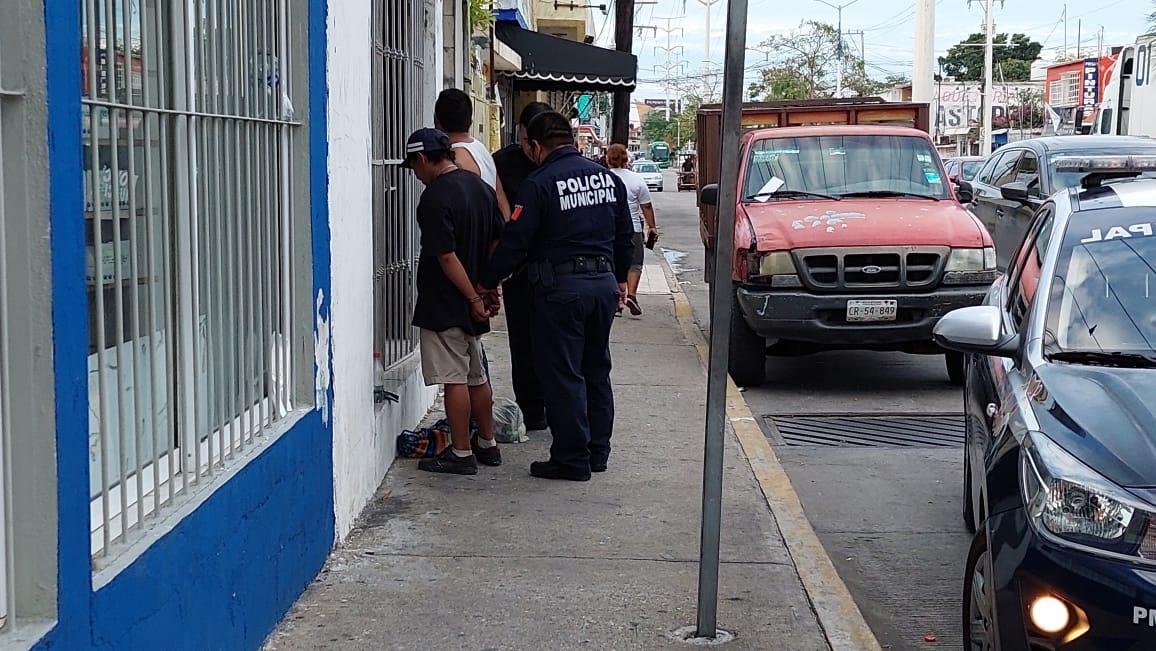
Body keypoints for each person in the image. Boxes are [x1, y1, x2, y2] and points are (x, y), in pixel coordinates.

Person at [476, 112, 635, 481]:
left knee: (563, 374)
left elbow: (515, 243)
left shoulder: (541, 182)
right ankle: (597, 452)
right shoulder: (608, 180)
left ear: (535, 145)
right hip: (603, 286)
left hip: (560, 291)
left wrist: (486, 281)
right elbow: (625, 235)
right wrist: (622, 281)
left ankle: (571, 457)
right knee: (596, 369)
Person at [401, 127, 504, 476]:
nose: (414, 173)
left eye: (414, 165)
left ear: (425, 159)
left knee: (454, 379)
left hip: (446, 300)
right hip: (474, 294)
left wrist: (473, 296)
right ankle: (487, 444)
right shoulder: (480, 187)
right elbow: (496, 242)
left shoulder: (435, 197)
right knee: (477, 374)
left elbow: (445, 256)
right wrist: (488, 288)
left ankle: (461, 452)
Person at [491, 101, 553, 432]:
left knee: (554, 341)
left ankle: (556, 404)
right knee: (523, 342)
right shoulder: (503, 163)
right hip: (518, 267)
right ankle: (532, 409)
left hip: (554, 268)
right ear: (523, 135)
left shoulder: (557, 165)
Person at [434, 88, 512, 220]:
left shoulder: (453, 159)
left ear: (437, 121)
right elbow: (500, 196)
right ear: (470, 121)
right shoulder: (481, 149)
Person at [606, 143, 658, 316]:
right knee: (635, 263)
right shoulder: (637, 179)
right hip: (633, 228)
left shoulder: (603, 178)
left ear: (608, 159)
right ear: (626, 159)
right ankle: (632, 295)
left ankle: (616, 303)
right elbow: (647, 206)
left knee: (611, 263)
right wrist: (652, 227)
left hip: (608, 229)